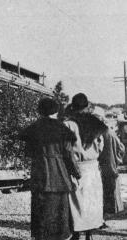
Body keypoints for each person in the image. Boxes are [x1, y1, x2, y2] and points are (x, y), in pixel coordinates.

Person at [18, 98, 81, 240]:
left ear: (39, 111)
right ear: (56, 111)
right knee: (60, 213)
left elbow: (28, 152)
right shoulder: (62, 129)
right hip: (59, 175)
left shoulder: (33, 129)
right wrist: (77, 174)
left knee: (40, 212)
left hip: (39, 175)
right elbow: (69, 155)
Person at [64, 93, 108, 240]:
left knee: (77, 203)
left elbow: (66, 148)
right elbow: (101, 146)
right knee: (91, 202)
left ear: (72, 106)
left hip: (77, 167)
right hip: (92, 167)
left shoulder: (69, 124)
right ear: (87, 106)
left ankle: (76, 234)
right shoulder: (96, 123)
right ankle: (89, 235)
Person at [93, 107, 125, 217]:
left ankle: (103, 213)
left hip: (100, 164)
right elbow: (121, 148)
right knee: (110, 188)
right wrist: (117, 160)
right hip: (110, 164)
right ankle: (109, 211)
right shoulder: (110, 132)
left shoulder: (97, 132)